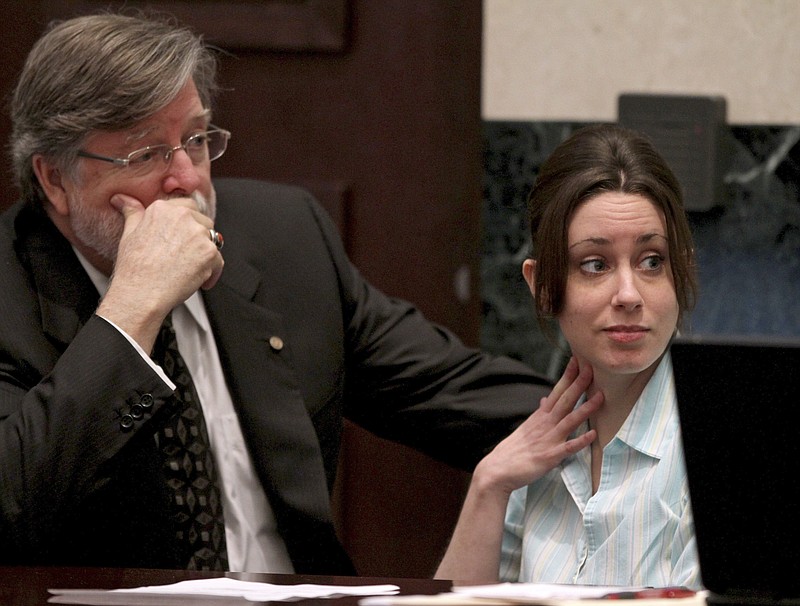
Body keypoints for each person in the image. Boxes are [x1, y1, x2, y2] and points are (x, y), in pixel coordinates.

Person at [0, 12, 551, 574]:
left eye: (194, 139)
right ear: (55, 179)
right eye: (145, 154)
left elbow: (450, 390)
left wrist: (621, 415)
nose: (187, 179)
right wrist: (133, 308)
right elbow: (14, 509)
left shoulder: (281, 237)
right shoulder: (9, 298)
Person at [435, 124, 702, 588]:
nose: (628, 294)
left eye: (652, 261)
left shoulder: (715, 454)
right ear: (541, 288)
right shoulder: (534, 454)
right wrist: (488, 486)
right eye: (595, 265)